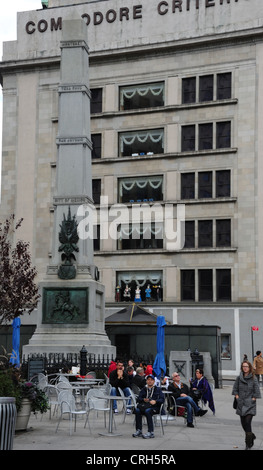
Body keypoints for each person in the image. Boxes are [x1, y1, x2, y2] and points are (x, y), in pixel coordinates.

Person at [232, 360, 261, 449]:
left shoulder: (253, 378)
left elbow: (257, 391)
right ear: (242, 367)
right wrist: (237, 396)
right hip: (241, 403)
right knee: (243, 424)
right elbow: (235, 388)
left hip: (250, 404)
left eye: (247, 366)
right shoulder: (239, 378)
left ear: (249, 368)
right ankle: (251, 436)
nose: (245, 368)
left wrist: (253, 398)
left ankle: (248, 444)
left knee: (248, 423)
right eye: (244, 366)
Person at [132, 374, 164, 439]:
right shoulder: (144, 389)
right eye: (148, 380)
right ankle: (139, 430)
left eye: (151, 380)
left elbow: (162, 399)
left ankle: (150, 432)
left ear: (154, 381)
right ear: (146, 381)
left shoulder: (158, 389)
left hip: (154, 407)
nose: (150, 381)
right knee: (137, 410)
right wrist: (144, 399)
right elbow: (138, 399)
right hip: (145, 406)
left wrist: (155, 401)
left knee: (148, 411)